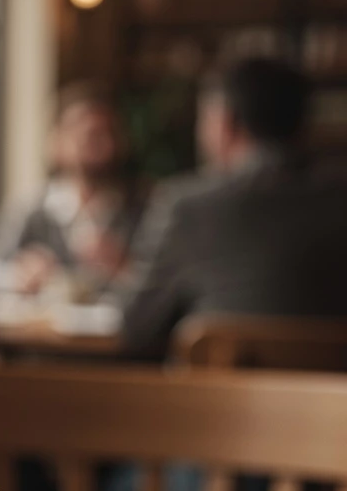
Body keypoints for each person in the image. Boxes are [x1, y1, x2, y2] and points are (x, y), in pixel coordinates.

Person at [122, 57, 347, 359]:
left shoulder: (188, 207)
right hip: (332, 388)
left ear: (225, 123)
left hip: (218, 389)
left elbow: (136, 328)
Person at [0, 81, 143, 299]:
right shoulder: (32, 208)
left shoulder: (141, 209)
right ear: (56, 140)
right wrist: (18, 274)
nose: (89, 145)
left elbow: (166, 284)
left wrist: (123, 267)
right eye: (79, 133)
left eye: (100, 134)